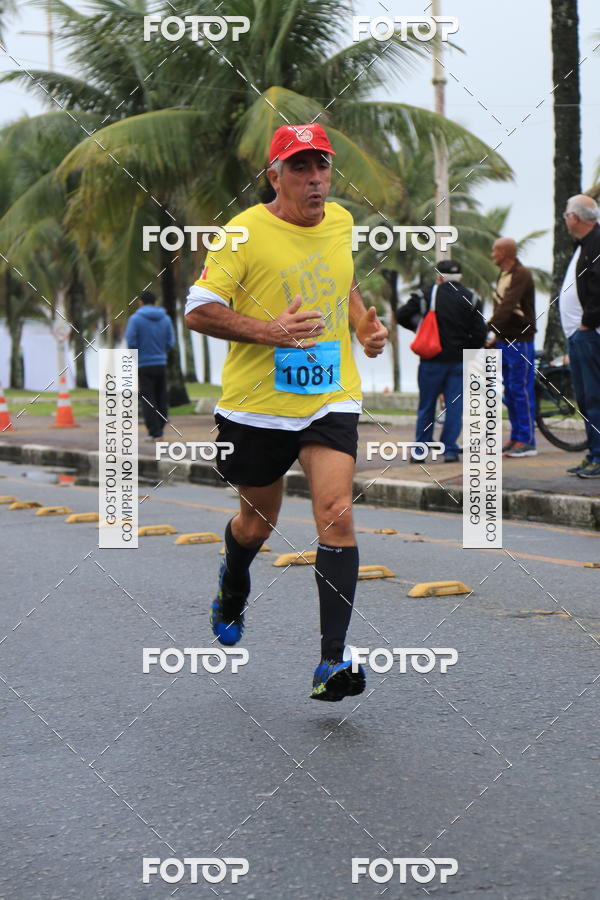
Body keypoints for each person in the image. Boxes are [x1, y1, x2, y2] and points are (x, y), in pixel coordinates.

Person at [184, 124, 388, 701]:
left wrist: (363, 325)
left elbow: (340, 280)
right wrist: (270, 332)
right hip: (257, 410)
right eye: (300, 168)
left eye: (321, 166)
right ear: (274, 176)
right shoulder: (243, 233)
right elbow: (198, 310)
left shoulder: (343, 221)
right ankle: (233, 580)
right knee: (258, 523)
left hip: (330, 397)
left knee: (336, 513)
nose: (315, 179)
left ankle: (331, 661)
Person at [396, 260, 486, 463]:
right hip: (459, 362)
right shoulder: (472, 297)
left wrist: (419, 327)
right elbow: (480, 334)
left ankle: (421, 451)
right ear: (461, 277)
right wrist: (466, 349)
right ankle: (450, 450)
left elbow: (402, 315)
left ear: (439, 276)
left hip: (431, 361)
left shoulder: (427, 294)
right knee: (455, 407)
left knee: (427, 406)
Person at [559, 194, 600, 478]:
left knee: (594, 397)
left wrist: (587, 323)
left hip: (589, 335)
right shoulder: (585, 244)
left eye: (566, 215)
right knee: (585, 399)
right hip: (580, 336)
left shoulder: (596, 242)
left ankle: (598, 456)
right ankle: (593, 453)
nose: (564, 219)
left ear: (575, 217)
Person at [488, 238, 537, 457]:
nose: (492, 255)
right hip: (504, 340)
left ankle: (527, 441)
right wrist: (494, 337)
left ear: (505, 253)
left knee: (520, 390)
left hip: (520, 340)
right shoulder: (504, 275)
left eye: (495, 251)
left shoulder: (521, 274)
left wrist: (486, 328)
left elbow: (508, 306)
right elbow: (502, 307)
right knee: (509, 391)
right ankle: (517, 437)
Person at [125, 290, 175, 441]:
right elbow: (170, 342)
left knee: (148, 398)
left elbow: (131, 341)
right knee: (161, 396)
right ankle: (161, 426)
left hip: (144, 364)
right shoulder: (165, 319)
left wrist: (138, 355)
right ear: (156, 302)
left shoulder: (135, 319)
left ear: (141, 302)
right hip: (161, 362)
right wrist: (161, 353)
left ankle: (155, 433)